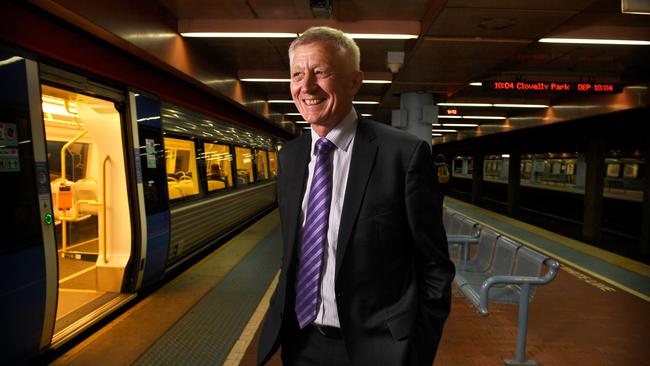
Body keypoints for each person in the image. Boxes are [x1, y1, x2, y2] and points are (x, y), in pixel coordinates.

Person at [257, 26, 455, 366]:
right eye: (297, 74)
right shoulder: (290, 158)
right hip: (302, 341)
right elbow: (294, 251)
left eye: (321, 72)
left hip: (379, 349)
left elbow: (434, 266)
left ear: (355, 80)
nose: (306, 87)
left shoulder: (402, 155)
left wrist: (416, 350)